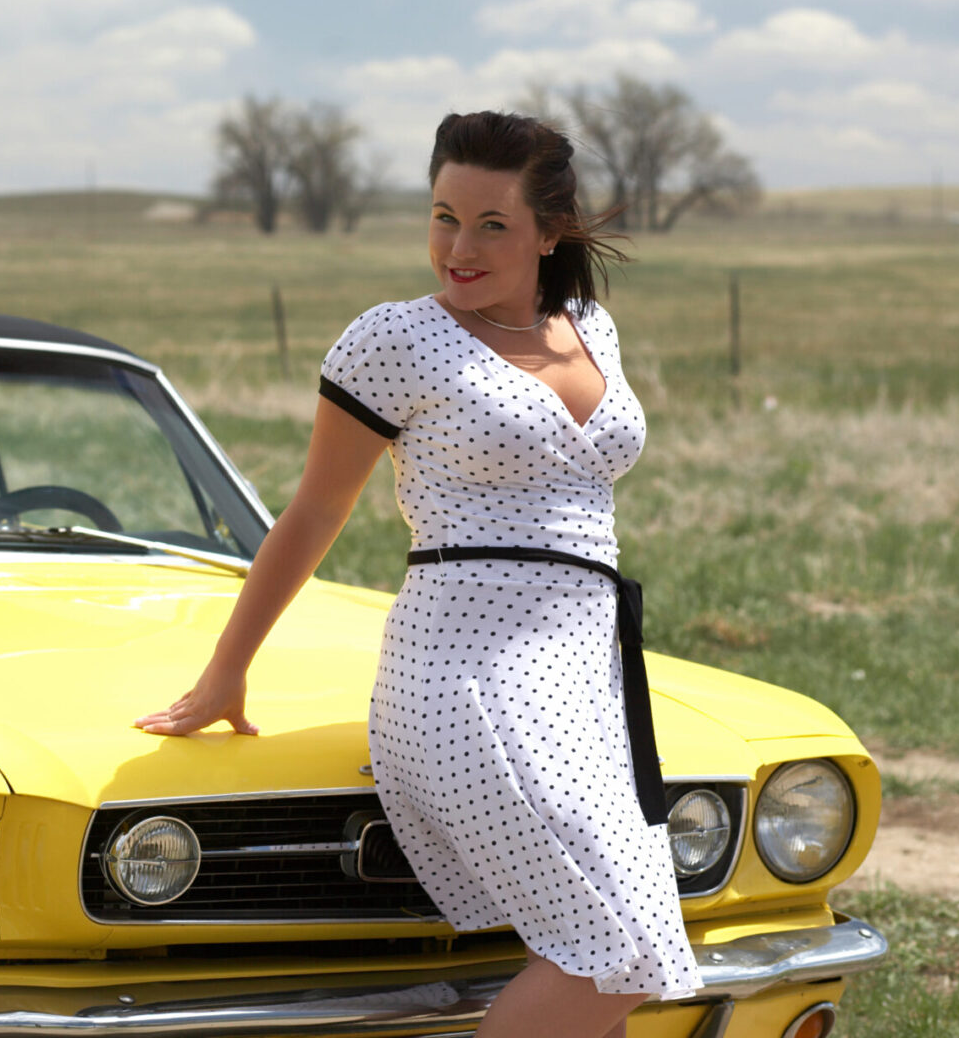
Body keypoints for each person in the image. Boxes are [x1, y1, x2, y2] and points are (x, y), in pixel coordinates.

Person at [134, 110, 701, 1037]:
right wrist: (225, 669)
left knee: (633, 949)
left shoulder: (591, 326)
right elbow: (315, 512)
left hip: (584, 676)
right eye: (442, 216)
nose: (457, 248)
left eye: (490, 224)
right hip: (463, 672)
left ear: (547, 232)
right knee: (619, 951)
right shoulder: (395, 339)